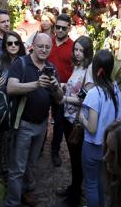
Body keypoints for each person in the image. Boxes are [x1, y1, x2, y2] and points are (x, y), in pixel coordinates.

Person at [5, 33, 63, 207]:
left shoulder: (51, 68)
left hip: (42, 124)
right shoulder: (21, 63)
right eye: (40, 46)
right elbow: (11, 87)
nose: (44, 50)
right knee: (18, 167)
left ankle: (27, 190)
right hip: (23, 124)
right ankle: (13, 202)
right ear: (33, 46)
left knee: (32, 162)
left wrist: (55, 88)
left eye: (47, 47)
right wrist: (36, 84)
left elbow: (59, 99)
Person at [78, 49, 121, 207]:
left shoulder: (94, 93)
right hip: (109, 146)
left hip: (92, 145)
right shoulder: (116, 90)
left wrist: (81, 118)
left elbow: (91, 127)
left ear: (96, 68)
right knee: (101, 182)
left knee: (90, 184)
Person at [55, 36, 94, 207]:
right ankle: (73, 188)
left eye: (81, 50)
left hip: (77, 121)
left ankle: (75, 196)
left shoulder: (90, 71)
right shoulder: (78, 66)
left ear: (88, 52)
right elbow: (74, 88)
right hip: (68, 117)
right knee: (73, 158)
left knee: (77, 160)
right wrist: (63, 85)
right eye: (76, 49)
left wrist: (63, 99)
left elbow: (86, 100)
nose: (77, 53)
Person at [0, 31, 27, 180]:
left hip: (18, 109)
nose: (13, 46)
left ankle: (13, 174)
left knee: (15, 143)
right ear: (5, 46)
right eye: (10, 43)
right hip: (1, 108)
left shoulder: (25, 62)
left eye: (16, 43)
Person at [47, 14, 75, 167]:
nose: (60, 30)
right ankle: (37, 147)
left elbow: (76, 69)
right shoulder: (47, 42)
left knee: (59, 122)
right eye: (58, 27)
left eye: (63, 28)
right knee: (39, 116)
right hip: (44, 87)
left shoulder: (73, 47)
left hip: (61, 90)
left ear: (68, 28)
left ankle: (55, 150)